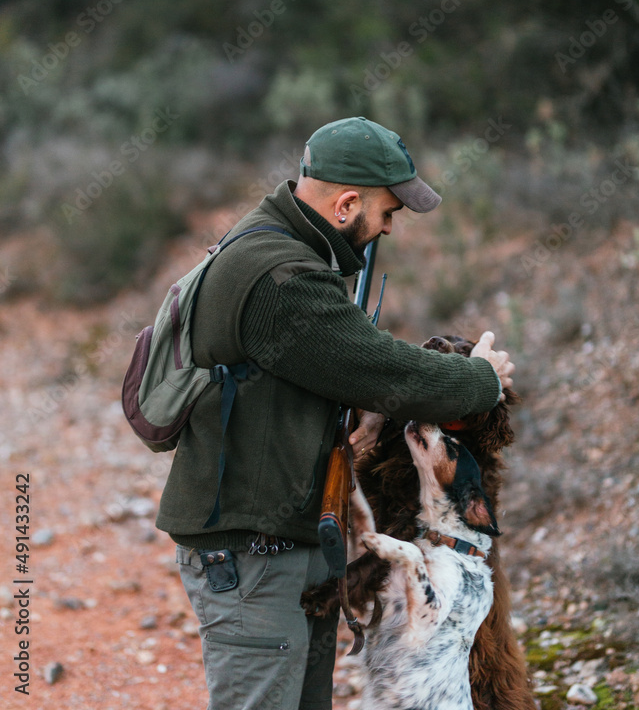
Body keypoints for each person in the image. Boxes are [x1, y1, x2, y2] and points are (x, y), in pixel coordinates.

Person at [156, 115, 515, 710]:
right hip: (251, 554)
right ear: (347, 203)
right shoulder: (281, 276)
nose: (390, 229)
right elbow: (382, 371)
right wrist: (480, 379)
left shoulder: (286, 251)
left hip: (284, 546)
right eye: (388, 213)